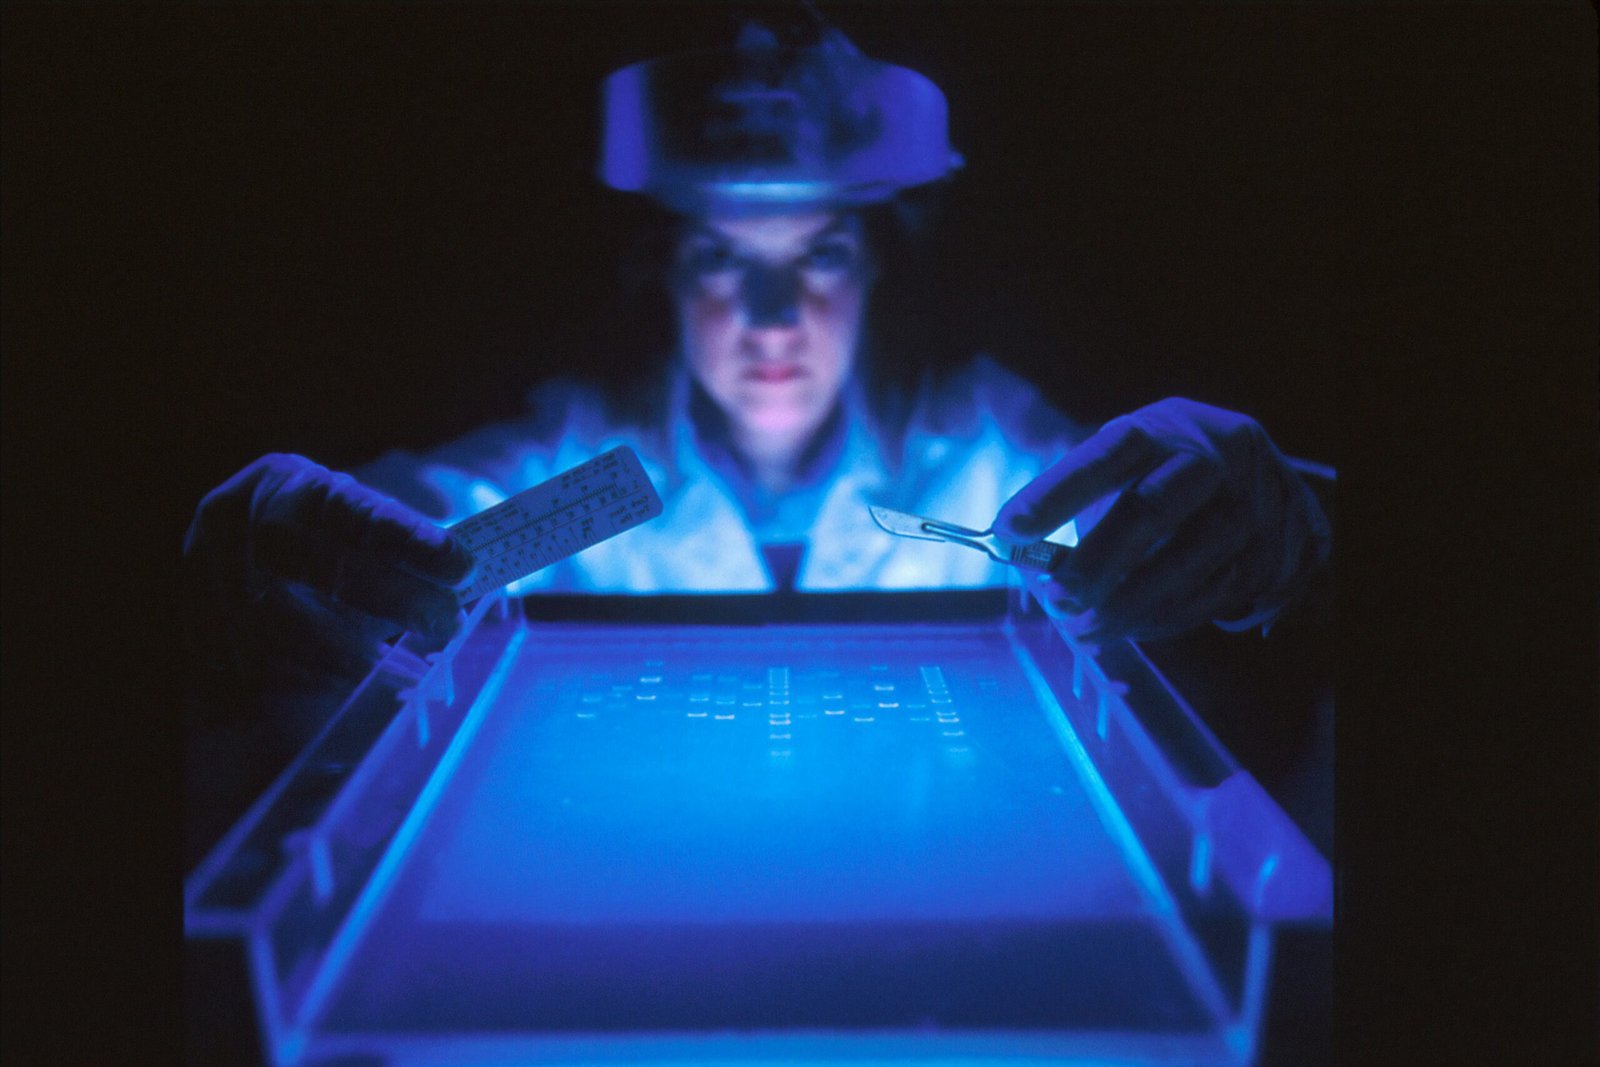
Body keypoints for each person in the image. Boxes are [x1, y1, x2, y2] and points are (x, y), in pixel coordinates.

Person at [184, 18, 1331, 708]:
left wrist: (1288, 531)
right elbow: (402, 540)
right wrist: (258, 567)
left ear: (881, 266)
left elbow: (1193, 530)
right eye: (724, 259)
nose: (774, 316)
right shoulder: (576, 475)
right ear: (664, 272)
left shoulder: (987, 457)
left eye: (820, 254)